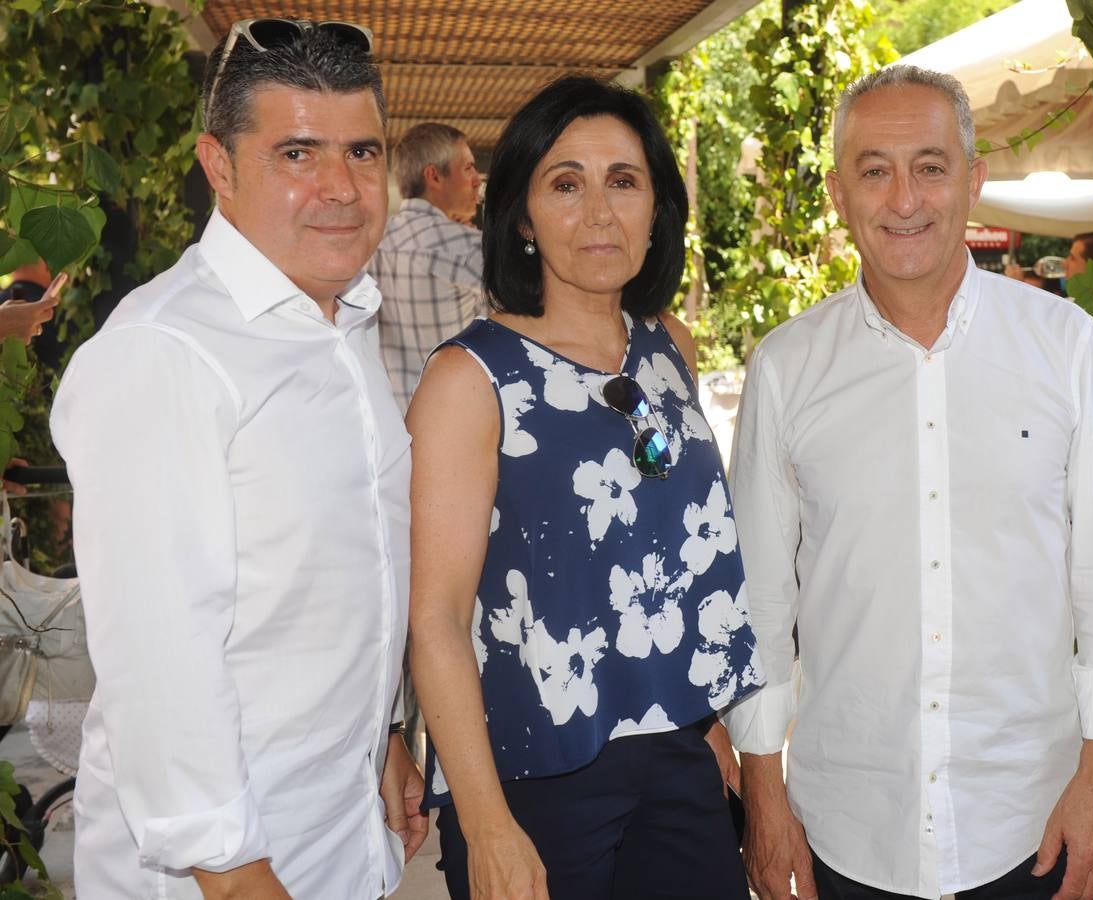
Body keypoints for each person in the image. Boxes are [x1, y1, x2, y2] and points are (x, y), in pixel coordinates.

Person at [724, 64, 1093, 900]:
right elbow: (759, 602)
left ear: (972, 179)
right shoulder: (786, 367)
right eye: (874, 170)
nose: (904, 199)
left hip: (1032, 819)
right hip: (848, 825)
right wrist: (763, 794)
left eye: (929, 167)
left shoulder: (1064, 345)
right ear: (838, 193)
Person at [50, 18, 425, 898]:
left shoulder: (341, 325)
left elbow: (338, 580)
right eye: (297, 154)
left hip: (339, 831)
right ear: (217, 166)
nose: (341, 188)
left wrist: (383, 732)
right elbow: (159, 651)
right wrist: (231, 870)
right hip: (216, 867)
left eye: (362, 152)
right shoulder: (164, 351)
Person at [407, 75, 762, 900]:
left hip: (677, 757)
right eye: (566, 184)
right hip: (532, 776)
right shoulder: (470, 379)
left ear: (656, 208)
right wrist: (485, 824)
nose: (599, 213)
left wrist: (697, 718)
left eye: (623, 182)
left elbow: (665, 540)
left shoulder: (668, 346)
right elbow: (435, 619)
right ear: (522, 217)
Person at [368, 122, 486, 412]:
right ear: (434, 176)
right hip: (455, 417)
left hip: (389, 418)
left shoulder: (371, 240)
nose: (477, 179)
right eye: (468, 168)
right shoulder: (464, 245)